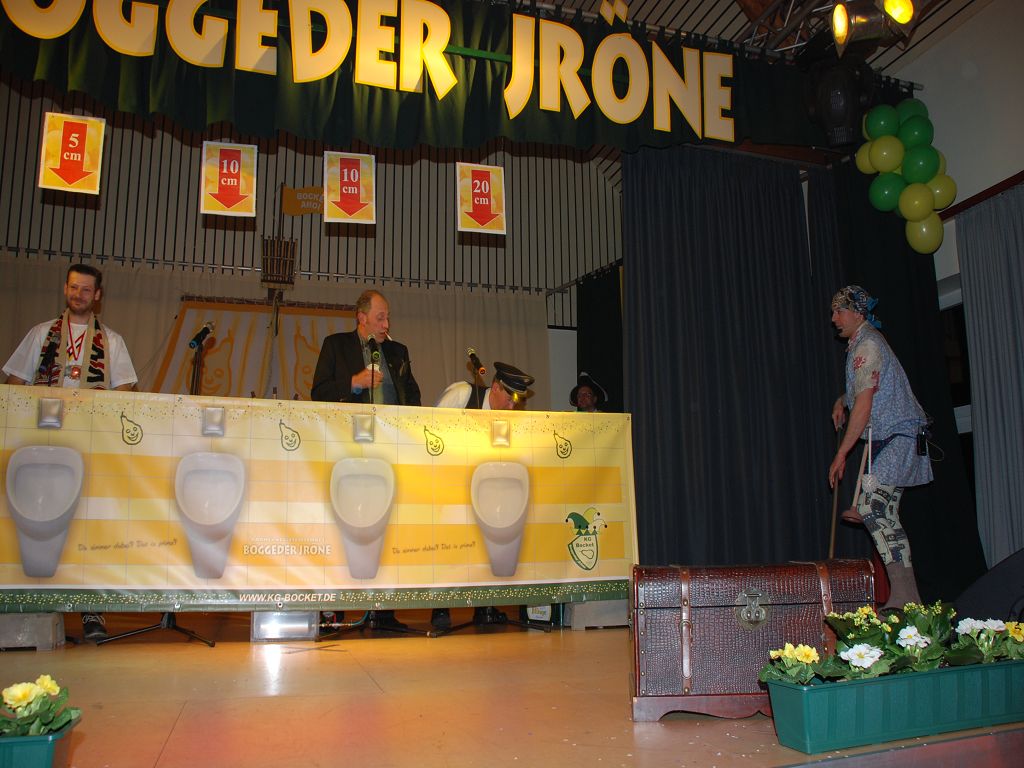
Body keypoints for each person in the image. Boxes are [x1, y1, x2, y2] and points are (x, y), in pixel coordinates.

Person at [3, 263, 138, 642]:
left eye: (86, 290)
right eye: (74, 288)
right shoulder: (40, 334)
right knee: (36, 524)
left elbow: (125, 390)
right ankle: (32, 601)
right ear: (66, 289)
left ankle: (91, 609)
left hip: (87, 446)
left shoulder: (112, 342)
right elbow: (14, 383)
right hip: (41, 447)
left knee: (87, 526)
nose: (79, 295)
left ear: (98, 296)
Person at [311, 289, 421, 631]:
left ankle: (383, 612)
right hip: (348, 448)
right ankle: (336, 609)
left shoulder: (398, 351)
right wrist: (353, 383)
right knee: (346, 525)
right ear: (361, 318)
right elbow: (318, 392)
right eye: (380, 318)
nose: (387, 324)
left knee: (388, 526)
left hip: (389, 450)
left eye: (388, 318)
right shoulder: (336, 345)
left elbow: (413, 396)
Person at [827, 285, 931, 609]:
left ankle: (905, 596)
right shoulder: (865, 342)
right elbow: (866, 389)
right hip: (898, 437)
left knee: (873, 508)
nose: (834, 319)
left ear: (858, 313)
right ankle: (907, 597)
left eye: (839, 311)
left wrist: (842, 452)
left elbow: (865, 404)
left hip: (899, 437)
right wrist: (842, 400)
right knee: (881, 511)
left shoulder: (868, 344)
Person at [431, 361, 535, 630]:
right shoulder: (462, 395)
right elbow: (430, 431)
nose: (512, 408)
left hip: (484, 490)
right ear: (496, 387)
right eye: (510, 400)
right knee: (450, 547)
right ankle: (440, 607)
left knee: (485, 545)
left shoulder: (506, 419)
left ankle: (483, 606)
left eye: (517, 402)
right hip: (451, 486)